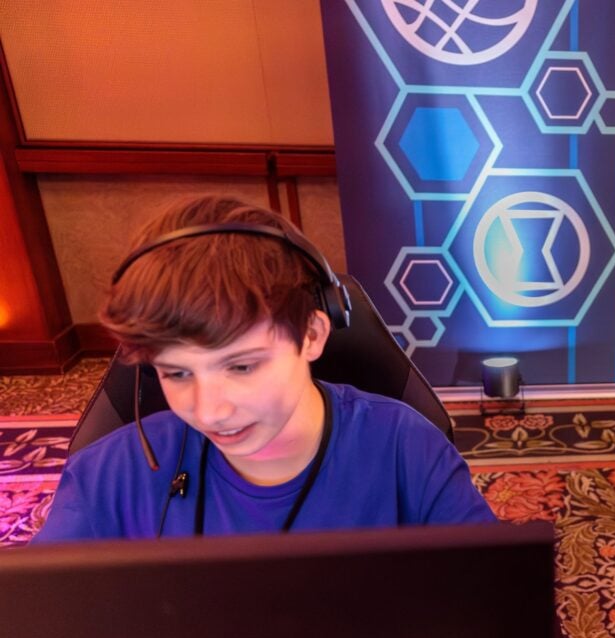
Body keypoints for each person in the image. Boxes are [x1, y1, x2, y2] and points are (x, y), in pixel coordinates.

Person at [35, 195, 495, 541]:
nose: (210, 411)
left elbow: (506, 619)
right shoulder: (108, 476)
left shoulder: (406, 450)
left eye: (241, 367)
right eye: (176, 373)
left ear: (313, 335)